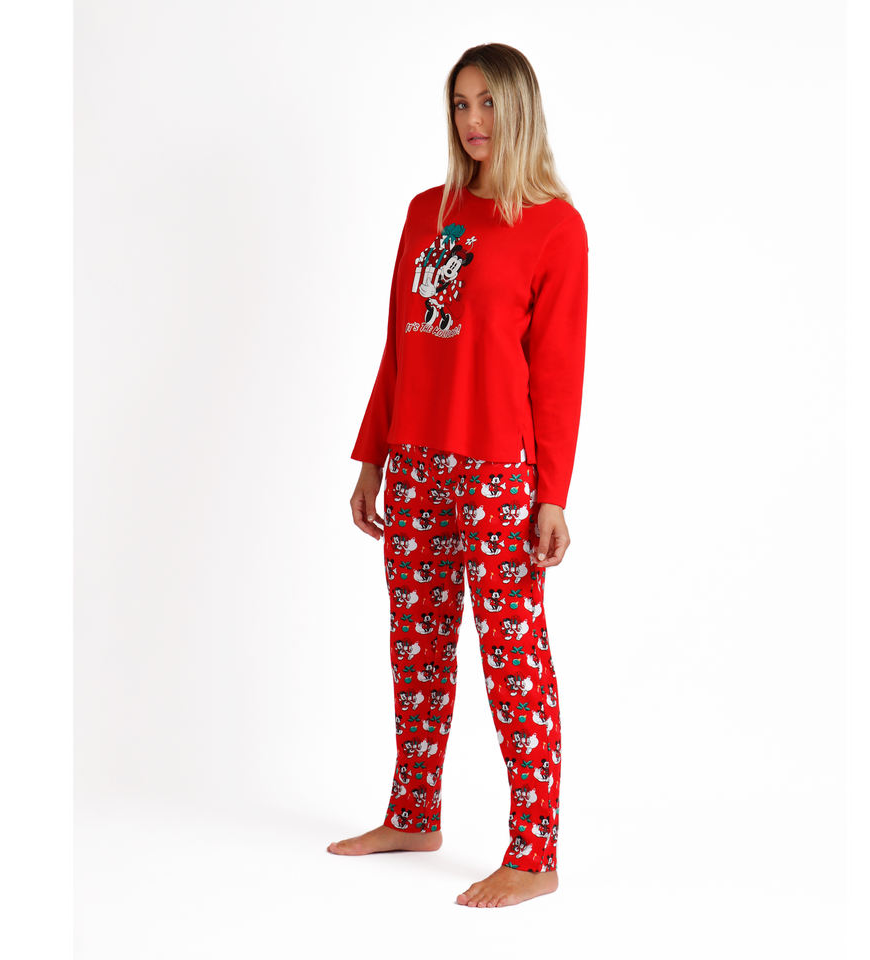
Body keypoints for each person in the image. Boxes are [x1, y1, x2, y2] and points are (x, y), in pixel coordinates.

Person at [331, 42, 588, 909]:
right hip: (413, 464)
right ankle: (413, 815)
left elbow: (558, 373)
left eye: (487, 103)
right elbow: (400, 346)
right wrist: (373, 456)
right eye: (460, 104)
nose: (472, 121)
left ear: (519, 109)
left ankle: (535, 854)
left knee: (515, 663)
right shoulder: (425, 213)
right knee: (418, 649)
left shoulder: (555, 227)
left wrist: (552, 494)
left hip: (498, 475)